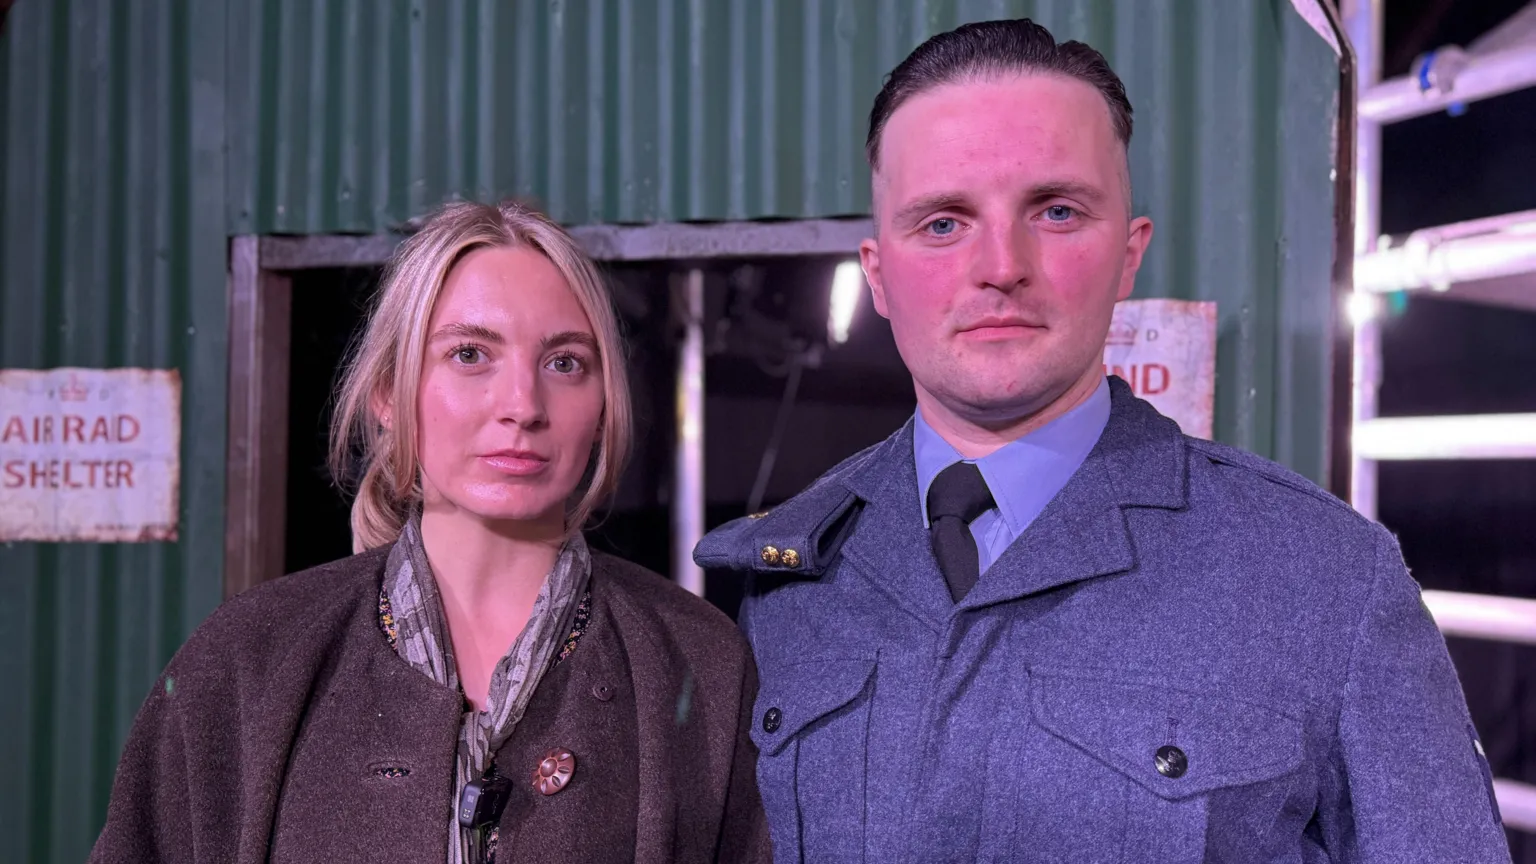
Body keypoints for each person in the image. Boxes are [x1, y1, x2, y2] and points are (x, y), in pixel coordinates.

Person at [694, 19, 1512, 863]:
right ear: (878, 276)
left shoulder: (1328, 581)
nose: (1001, 264)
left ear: (1129, 254)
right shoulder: (784, 581)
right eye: (943, 222)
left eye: (1055, 211)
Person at [93, 201, 769, 864]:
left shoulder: (698, 665)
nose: (522, 406)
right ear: (389, 391)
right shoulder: (248, 660)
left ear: (602, 405)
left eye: (564, 362)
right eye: (471, 354)